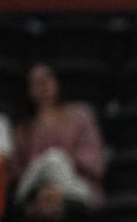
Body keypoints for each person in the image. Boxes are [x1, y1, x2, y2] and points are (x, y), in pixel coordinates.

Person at [12, 63, 106, 206]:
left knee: (55, 158)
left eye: (47, 80)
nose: (43, 86)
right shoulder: (23, 128)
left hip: (76, 183)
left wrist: (62, 162)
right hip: (37, 190)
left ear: (57, 82)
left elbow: (94, 162)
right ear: (28, 89)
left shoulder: (81, 115)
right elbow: (19, 171)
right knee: (51, 159)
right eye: (36, 83)